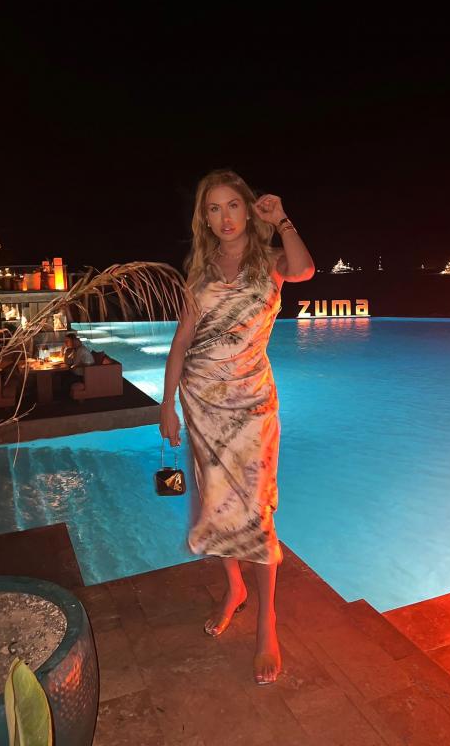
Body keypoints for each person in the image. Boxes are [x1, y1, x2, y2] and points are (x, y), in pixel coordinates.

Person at [159, 169, 315, 685]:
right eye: (213, 208)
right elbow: (182, 342)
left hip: (252, 406)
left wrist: (283, 219)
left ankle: (267, 624)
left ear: (248, 209)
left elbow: (305, 269)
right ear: (203, 219)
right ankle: (235, 588)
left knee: (256, 511)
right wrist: (166, 404)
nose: (224, 217)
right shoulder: (199, 274)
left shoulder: (269, 262)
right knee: (215, 504)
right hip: (202, 402)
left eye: (232, 205)